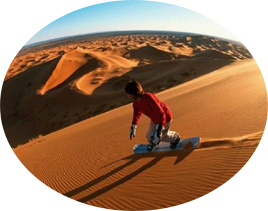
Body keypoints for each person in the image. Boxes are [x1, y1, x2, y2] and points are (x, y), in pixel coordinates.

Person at [125, 80, 181, 151]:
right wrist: (134, 126)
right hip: (154, 119)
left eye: (129, 94)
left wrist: (159, 129)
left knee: (162, 136)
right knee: (149, 137)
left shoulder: (148, 97)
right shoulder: (135, 103)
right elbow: (136, 114)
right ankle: (155, 143)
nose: (128, 96)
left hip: (165, 118)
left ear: (133, 93)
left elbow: (161, 113)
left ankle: (176, 138)